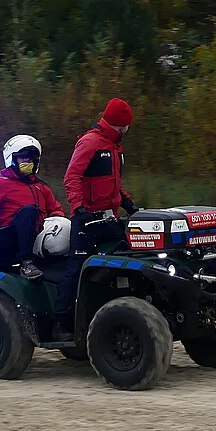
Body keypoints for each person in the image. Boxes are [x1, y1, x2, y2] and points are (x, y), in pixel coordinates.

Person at [52, 98, 139, 338]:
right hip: (86, 221)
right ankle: (61, 324)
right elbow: (72, 177)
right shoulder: (90, 143)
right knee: (77, 268)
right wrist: (79, 208)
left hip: (110, 218)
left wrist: (127, 202)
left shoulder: (113, 146)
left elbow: (111, 185)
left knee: (131, 255)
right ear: (123, 124)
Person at [0, 135, 66, 279]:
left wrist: (59, 222)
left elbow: (55, 209)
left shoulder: (41, 187)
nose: (28, 161)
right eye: (23, 158)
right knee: (29, 211)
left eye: (32, 158)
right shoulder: (1, 184)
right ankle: (26, 263)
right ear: (12, 159)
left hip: (40, 235)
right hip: (14, 237)